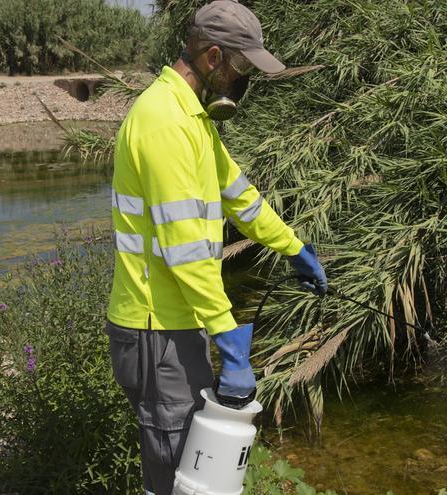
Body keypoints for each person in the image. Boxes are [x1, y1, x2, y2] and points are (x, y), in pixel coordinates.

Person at [104, 1, 328, 494]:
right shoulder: (165, 123)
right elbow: (185, 251)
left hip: (177, 321)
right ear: (212, 58)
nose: (242, 79)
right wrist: (228, 339)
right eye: (241, 66)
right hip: (152, 325)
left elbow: (240, 197)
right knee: (175, 467)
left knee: (192, 458)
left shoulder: (194, 117)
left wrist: (293, 248)